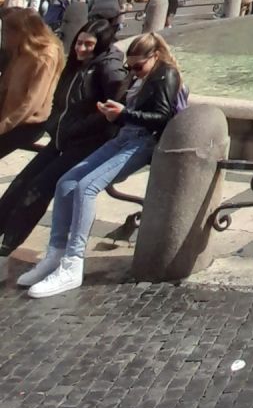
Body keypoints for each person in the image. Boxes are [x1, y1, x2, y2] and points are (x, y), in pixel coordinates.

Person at [17, 32, 183, 298]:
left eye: (139, 66)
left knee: (86, 187)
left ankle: (73, 263)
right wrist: (113, 115)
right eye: (131, 67)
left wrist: (124, 113)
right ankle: (55, 254)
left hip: (142, 143)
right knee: (66, 182)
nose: (134, 71)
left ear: (155, 57)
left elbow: (162, 117)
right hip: (123, 135)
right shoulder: (142, 76)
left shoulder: (167, 75)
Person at [0, 20, 128, 255]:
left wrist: (77, 128)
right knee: (21, 182)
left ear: (101, 45)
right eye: (79, 42)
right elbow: (62, 100)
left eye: (88, 44)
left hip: (86, 143)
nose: (80, 49)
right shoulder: (77, 64)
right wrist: (55, 124)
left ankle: (9, 244)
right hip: (62, 136)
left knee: (39, 187)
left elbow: (113, 112)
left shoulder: (109, 70)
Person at [0, 8, 65, 158]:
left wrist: (4, 125)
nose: (6, 36)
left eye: (9, 32)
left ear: (24, 31)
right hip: (8, 114)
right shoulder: (21, 49)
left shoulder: (46, 54)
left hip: (27, 123)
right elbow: (5, 84)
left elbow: (32, 102)